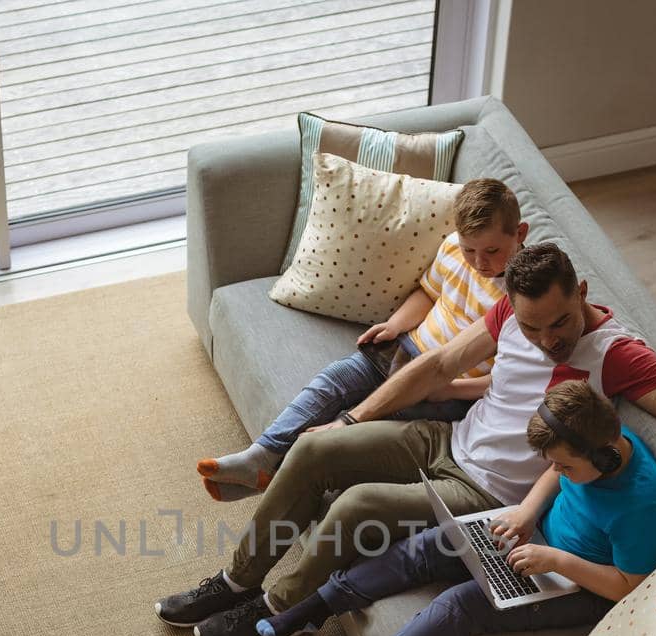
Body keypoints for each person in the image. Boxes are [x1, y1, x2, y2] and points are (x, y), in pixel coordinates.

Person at [156, 241, 656, 636]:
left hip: (486, 491)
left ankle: (273, 611)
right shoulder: (510, 311)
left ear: (580, 291)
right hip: (447, 439)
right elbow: (441, 364)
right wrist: (349, 418)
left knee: (357, 503)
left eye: (560, 323)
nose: (548, 339)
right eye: (532, 327)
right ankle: (235, 580)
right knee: (312, 451)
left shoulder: (617, 354)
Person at [261, 381, 656, 636]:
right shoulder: (601, 437)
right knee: (430, 544)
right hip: (537, 542)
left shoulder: (642, 504)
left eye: (566, 465)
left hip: (581, 589)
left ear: (603, 460)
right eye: (554, 462)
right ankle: (317, 608)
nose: (557, 471)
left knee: (462, 605)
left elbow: (628, 586)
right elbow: (555, 474)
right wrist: (527, 512)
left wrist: (557, 560)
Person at [196, 178, 528, 500]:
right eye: (471, 249)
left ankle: (280, 473)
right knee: (333, 382)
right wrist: (395, 325)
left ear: (520, 234)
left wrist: (453, 390)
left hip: (448, 386)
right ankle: (261, 454)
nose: (479, 262)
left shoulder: (525, 295)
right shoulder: (454, 247)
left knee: (368, 427)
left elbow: (509, 378)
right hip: (405, 349)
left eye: (492, 251)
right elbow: (429, 292)